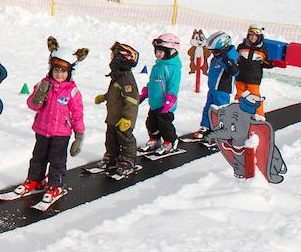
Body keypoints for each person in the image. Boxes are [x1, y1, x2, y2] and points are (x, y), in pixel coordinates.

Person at [14, 37, 86, 197]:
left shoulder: (72, 92)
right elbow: (32, 105)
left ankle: (55, 185)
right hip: (42, 130)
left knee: (57, 161)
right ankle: (35, 180)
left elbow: (78, 114)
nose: (59, 74)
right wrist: (39, 96)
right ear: (51, 69)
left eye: (63, 71)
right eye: (56, 70)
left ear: (69, 73)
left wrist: (79, 136)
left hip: (61, 134)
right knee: (38, 158)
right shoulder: (43, 84)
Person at [94, 42, 141, 176]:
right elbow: (116, 93)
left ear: (121, 59)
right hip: (113, 116)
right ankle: (112, 155)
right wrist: (105, 97)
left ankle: (128, 159)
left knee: (126, 138)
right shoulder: (118, 76)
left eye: (113, 55)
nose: (111, 58)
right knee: (110, 137)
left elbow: (132, 101)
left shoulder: (126, 79)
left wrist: (127, 119)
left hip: (124, 118)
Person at [140, 33, 183, 155]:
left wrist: (170, 100)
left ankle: (170, 141)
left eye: (161, 52)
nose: (158, 54)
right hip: (154, 103)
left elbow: (173, 86)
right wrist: (145, 93)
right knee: (151, 123)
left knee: (165, 125)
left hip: (166, 104)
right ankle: (154, 139)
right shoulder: (157, 66)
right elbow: (152, 83)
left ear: (171, 51)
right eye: (157, 51)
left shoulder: (173, 68)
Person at [193, 31, 240, 139]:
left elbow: (234, 72)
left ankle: (222, 129)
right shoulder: (217, 57)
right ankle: (205, 126)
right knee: (208, 108)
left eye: (214, 51)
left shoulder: (230, 55)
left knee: (221, 110)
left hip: (222, 89)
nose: (213, 54)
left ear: (223, 48)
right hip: (213, 88)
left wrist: (228, 61)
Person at [235, 26, 284, 118]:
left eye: (256, 36)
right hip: (240, 77)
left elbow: (265, 62)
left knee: (255, 98)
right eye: (251, 35)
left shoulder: (262, 49)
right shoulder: (241, 47)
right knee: (239, 97)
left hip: (253, 79)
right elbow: (236, 59)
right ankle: (238, 115)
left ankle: (259, 116)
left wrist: (274, 63)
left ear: (259, 37)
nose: (253, 38)